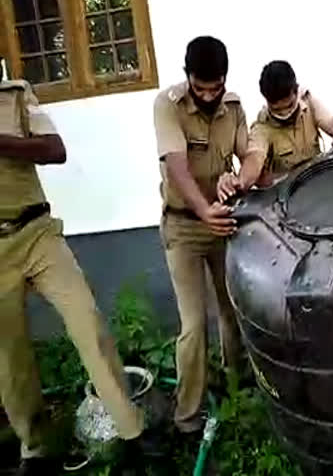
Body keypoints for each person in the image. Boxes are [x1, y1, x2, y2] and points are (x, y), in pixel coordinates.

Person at [0, 74, 148, 474]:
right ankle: (35, 450)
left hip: (37, 233)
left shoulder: (14, 97)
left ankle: (133, 435)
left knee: (88, 323)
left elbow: (55, 149)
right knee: (10, 359)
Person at [153, 36, 265, 434]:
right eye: (199, 89)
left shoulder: (232, 106)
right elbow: (177, 165)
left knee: (233, 309)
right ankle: (187, 417)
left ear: (224, 80)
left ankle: (238, 388)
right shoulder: (167, 105)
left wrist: (239, 179)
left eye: (214, 88)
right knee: (193, 325)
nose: (207, 96)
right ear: (187, 79)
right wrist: (204, 211)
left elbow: (251, 152)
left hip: (223, 219)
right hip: (184, 225)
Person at [250, 60, 333, 183]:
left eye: (289, 106)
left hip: (319, 180)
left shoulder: (308, 101)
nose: (284, 114)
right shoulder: (262, 126)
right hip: (288, 191)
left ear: (296, 91)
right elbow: (254, 160)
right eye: (277, 110)